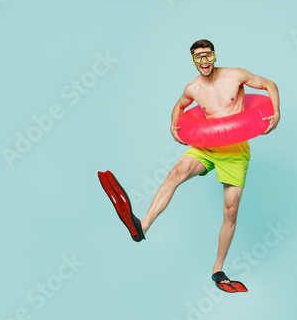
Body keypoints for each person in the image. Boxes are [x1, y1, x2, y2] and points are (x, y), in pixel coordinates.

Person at [99, 39, 280, 293]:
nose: (203, 62)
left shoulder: (234, 76)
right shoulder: (193, 88)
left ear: (214, 56)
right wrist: (174, 123)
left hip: (235, 151)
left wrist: (277, 112)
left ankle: (218, 269)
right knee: (175, 173)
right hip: (207, 146)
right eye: (198, 58)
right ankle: (142, 226)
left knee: (230, 212)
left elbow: (268, 84)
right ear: (193, 61)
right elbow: (180, 105)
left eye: (207, 56)